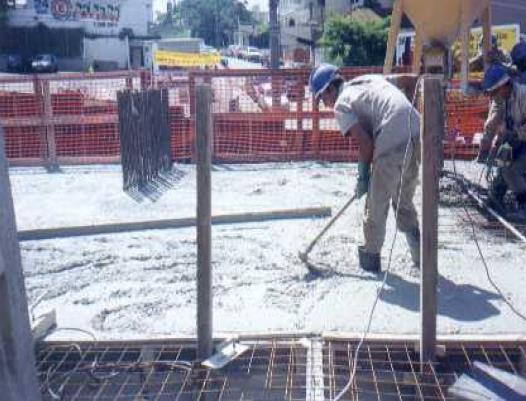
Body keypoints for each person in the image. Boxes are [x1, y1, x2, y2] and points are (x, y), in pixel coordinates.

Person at [309, 64, 421, 273]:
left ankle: (370, 261)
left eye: (323, 98)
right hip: (417, 131)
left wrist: (363, 177)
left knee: (375, 205)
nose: (325, 104)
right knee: (403, 198)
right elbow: (410, 79)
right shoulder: (369, 79)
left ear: (331, 89)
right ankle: (422, 258)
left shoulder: (341, 105)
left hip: (390, 136)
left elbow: (366, 144)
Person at [480, 64, 526, 221]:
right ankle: (496, 198)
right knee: (502, 162)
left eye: (494, 92)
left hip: (523, 140)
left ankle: (524, 206)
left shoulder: (523, 95)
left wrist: (514, 134)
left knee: (512, 171)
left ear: (504, 86)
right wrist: (492, 142)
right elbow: (498, 121)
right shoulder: (503, 100)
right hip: (517, 139)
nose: (493, 97)